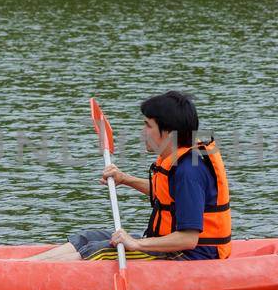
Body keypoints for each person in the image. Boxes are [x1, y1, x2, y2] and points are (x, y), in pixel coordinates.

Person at [28, 90, 232, 262]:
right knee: (87, 238)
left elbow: (188, 239)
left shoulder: (189, 170)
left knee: (98, 250)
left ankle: (29, 275)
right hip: (172, 246)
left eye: (148, 125)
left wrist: (136, 244)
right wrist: (125, 179)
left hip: (191, 256)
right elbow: (168, 193)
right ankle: (22, 266)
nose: (142, 132)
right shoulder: (178, 163)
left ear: (169, 133)